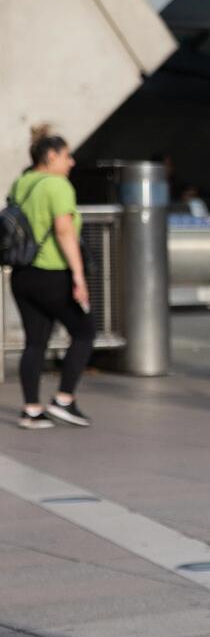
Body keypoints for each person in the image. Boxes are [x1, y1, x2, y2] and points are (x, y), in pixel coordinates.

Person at [8, 126, 94, 429]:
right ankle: (64, 400)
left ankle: (31, 409)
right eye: (67, 156)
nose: (71, 162)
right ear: (51, 156)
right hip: (52, 274)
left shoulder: (23, 183)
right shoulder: (58, 186)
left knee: (35, 342)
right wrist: (79, 277)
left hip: (22, 274)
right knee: (84, 332)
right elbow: (64, 231)